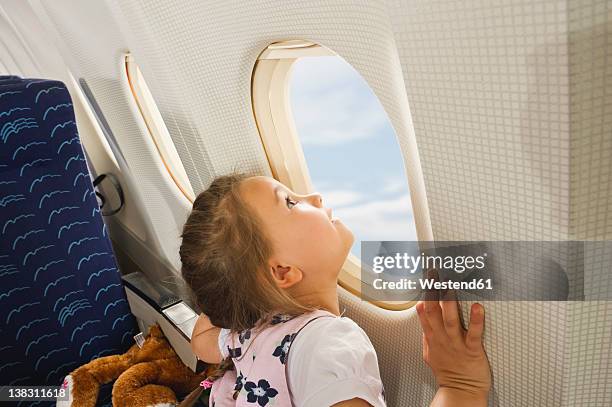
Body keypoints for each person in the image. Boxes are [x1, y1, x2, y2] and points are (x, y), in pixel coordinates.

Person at [180, 174, 490, 406]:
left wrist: (233, 280)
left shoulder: (253, 325)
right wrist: (459, 385)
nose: (313, 196)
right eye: (290, 202)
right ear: (283, 271)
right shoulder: (329, 346)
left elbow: (200, 340)